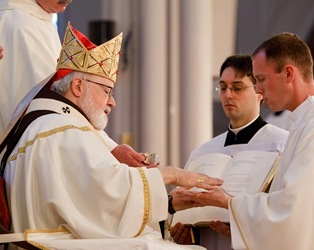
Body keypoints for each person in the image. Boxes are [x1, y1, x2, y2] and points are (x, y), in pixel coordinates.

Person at [0, 22, 223, 250]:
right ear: (77, 86)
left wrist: (168, 204)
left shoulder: (44, 125)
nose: (112, 102)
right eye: (106, 91)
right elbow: (109, 193)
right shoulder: (65, 130)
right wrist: (170, 174)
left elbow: (88, 202)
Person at [182, 32, 314, 250]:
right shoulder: (308, 126)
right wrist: (243, 226)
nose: (258, 89)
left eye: (261, 79)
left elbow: (292, 213)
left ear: (288, 73)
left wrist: (228, 202)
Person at [0, 0, 147, 167]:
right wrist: (109, 147)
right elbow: (50, 104)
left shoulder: (40, 19)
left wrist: (110, 147)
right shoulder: (19, 23)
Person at [170, 55, 288, 249]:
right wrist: (185, 233)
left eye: (237, 87)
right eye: (223, 87)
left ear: (259, 91)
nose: (228, 95)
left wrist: (244, 228)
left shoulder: (281, 144)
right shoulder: (203, 151)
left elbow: (284, 209)